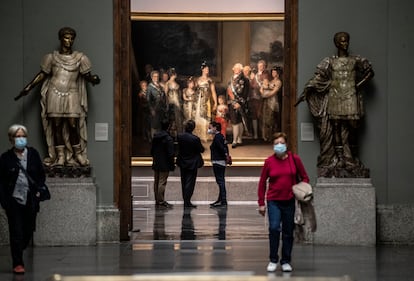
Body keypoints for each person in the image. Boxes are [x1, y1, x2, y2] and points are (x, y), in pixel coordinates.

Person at [16, 27, 100, 167]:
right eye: (67, 37)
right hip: (54, 92)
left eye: (72, 38)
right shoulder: (51, 57)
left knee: (73, 125)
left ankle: (77, 154)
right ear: (61, 38)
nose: (69, 41)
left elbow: (87, 76)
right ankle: (60, 156)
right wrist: (29, 87)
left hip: (72, 92)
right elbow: (43, 74)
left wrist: (94, 79)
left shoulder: (80, 58)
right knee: (56, 125)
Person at [296, 31, 374, 177]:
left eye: (347, 40)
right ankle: (339, 159)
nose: (346, 43)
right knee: (336, 127)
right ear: (337, 43)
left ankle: (352, 158)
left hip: (351, 96)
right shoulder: (329, 61)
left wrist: (358, 85)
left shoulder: (355, 59)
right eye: (343, 41)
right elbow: (318, 78)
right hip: (335, 96)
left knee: (353, 126)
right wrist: (308, 89)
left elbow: (370, 72)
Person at [257, 132, 309, 273]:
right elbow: (262, 183)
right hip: (274, 200)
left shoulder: (294, 159)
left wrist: (300, 189)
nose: (279, 145)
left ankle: (286, 260)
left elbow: (305, 177)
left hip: (289, 200)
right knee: (274, 228)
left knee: (288, 231)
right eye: (276, 143)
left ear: (286, 144)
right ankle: (273, 259)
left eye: (281, 143)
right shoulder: (269, 162)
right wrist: (261, 203)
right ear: (273, 146)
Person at [0, 124, 46, 274]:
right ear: (11, 139)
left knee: (28, 230)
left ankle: (20, 247)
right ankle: (18, 263)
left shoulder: (33, 154)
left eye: (23, 136)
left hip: (30, 200)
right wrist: (4, 201)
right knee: (16, 231)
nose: (21, 139)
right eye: (17, 136)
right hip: (13, 201)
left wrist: (39, 189)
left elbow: (40, 174)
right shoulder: (6, 158)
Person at [176, 120, 205, 208]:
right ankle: (187, 201)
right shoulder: (195, 139)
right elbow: (201, 150)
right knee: (190, 183)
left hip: (182, 161)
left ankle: (186, 201)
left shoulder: (180, 136)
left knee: (184, 181)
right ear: (193, 128)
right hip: (192, 163)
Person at [150, 120, 175, 208]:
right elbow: (170, 153)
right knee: (162, 182)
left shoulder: (155, 137)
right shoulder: (168, 139)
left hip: (156, 162)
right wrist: (172, 164)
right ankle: (161, 201)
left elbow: (152, 151)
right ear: (168, 127)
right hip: (165, 163)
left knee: (156, 182)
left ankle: (157, 200)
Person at [226, 63, 250, 148]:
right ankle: (238, 139)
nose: (235, 69)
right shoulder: (231, 79)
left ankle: (235, 140)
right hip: (231, 103)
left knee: (237, 121)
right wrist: (229, 102)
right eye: (234, 68)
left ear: (240, 69)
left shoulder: (245, 79)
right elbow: (228, 92)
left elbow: (246, 93)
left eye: (236, 68)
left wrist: (239, 103)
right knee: (236, 121)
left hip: (240, 103)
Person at [194, 61, 218, 142]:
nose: (207, 70)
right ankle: (199, 135)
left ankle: (209, 135)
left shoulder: (210, 80)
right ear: (202, 70)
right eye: (206, 69)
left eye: (208, 69)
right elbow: (194, 90)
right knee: (199, 117)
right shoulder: (198, 79)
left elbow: (213, 91)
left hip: (207, 100)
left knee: (209, 117)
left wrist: (215, 102)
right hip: (199, 101)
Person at [208, 121, 229, 208]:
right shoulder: (221, 136)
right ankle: (220, 199)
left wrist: (224, 155)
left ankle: (223, 200)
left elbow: (221, 148)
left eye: (210, 127)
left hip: (218, 162)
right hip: (221, 162)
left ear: (215, 128)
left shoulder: (217, 137)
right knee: (221, 181)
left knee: (220, 181)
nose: (209, 130)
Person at [260, 67, 282, 142]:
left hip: (273, 102)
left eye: (275, 72)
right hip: (267, 102)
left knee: (272, 119)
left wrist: (265, 95)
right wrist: (262, 91)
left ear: (278, 73)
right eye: (272, 72)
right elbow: (263, 88)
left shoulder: (278, 82)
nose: (273, 74)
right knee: (266, 119)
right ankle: (266, 136)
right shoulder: (271, 81)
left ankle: (273, 137)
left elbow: (274, 92)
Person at [249, 60, 269, 140]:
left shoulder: (266, 75)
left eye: (262, 66)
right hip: (254, 97)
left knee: (261, 115)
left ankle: (263, 135)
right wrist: (251, 80)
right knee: (254, 116)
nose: (261, 67)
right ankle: (256, 134)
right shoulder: (255, 75)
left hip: (261, 98)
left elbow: (265, 85)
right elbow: (251, 85)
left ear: (264, 66)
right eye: (259, 66)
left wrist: (257, 86)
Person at [147, 70, 168, 140]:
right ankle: (154, 141)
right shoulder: (150, 87)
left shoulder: (160, 86)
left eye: (157, 76)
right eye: (155, 76)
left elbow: (164, 97)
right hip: (154, 109)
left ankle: (159, 142)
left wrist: (165, 106)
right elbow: (148, 100)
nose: (156, 78)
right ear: (152, 77)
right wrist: (151, 109)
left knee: (160, 126)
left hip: (161, 109)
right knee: (154, 126)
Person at [164, 68, 183, 139]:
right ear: (173, 74)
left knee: (178, 119)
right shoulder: (168, 83)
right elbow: (166, 95)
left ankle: (178, 136)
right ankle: (171, 136)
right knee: (172, 119)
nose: (176, 75)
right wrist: (167, 104)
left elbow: (179, 95)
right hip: (171, 103)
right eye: (175, 73)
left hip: (177, 102)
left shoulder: (177, 84)